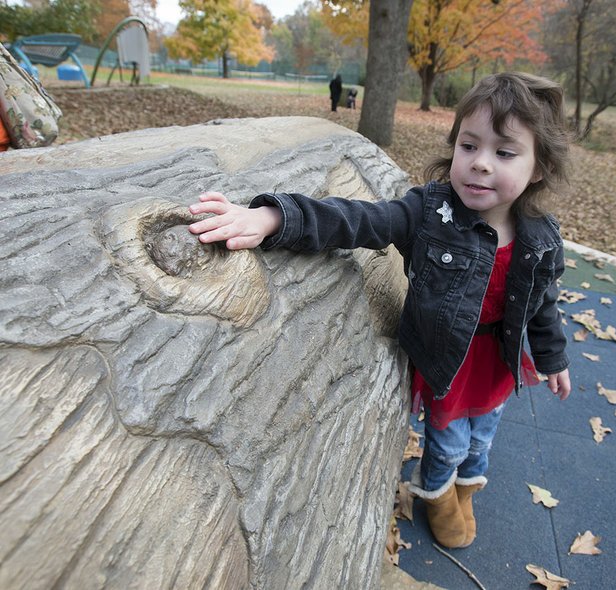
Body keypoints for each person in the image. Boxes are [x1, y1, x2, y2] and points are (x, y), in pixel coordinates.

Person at [188, 72, 572, 550]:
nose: (480, 165)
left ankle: (467, 487)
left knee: (482, 438)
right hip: (448, 361)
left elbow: (543, 303)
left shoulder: (540, 236)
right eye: (469, 146)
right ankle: (437, 493)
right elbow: (359, 218)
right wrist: (273, 217)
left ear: (537, 168)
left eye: (504, 153)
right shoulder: (431, 213)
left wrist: (553, 359)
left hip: (496, 361)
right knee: (450, 441)